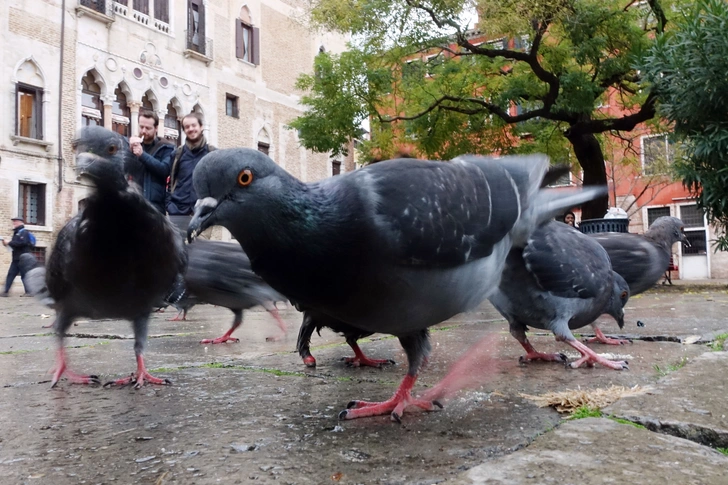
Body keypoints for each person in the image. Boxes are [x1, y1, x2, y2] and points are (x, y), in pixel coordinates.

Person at [166, 112, 215, 235]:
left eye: (194, 125)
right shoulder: (177, 154)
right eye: (187, 127)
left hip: (202, 214)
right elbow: (169, 180)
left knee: (202, 251)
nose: (191, 129)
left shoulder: (213, 154)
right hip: (177, 212)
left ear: (201, 127)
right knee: (178, 251)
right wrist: (169, 205)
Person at [128, 111, 174, 214]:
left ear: (156, 128)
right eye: (141, 127)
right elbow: (124, 170)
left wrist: (142, 155)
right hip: (134, 204)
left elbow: (164, 170)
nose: (143, 131)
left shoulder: (166, 148)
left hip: (155, 207)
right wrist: (129, 152)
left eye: (148, 128)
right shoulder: (132, 145)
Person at [2, 217, 32, 297]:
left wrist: (10, 242)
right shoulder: (16, 233)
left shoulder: (24, 232)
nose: (14, 223)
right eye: (14, 222)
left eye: (16, 222)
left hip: (23, 258)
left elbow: (22, 243)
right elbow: (15, 245)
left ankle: (29, 292)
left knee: (24, 276)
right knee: (11, 274)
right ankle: (5, 292)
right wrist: (6, 244)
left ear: (21, 223)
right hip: (16, 259)